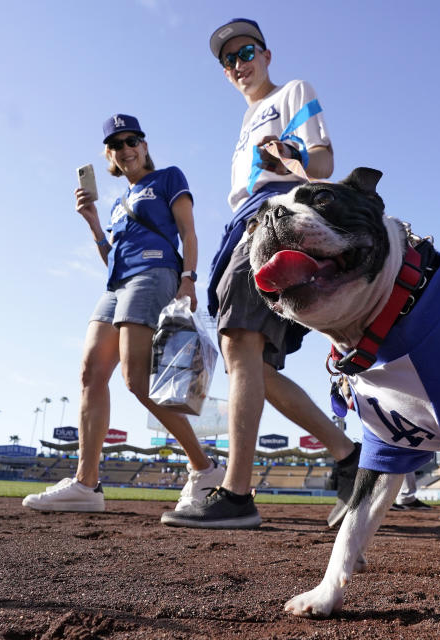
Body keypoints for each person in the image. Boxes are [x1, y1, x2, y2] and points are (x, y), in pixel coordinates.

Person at [159, 19, 359, 529]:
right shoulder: (246, 123)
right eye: (228, 60)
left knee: (241, 345)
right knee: (254, 366)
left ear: (267, 54)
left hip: (272, 219)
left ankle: (237, 493)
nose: (238, 64)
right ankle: (346, 456)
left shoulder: (292, 91)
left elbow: (323, 163)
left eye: (245, 51)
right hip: (244, 223)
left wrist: (290, 155)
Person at [24, 115, 221, 514]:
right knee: (90, 373)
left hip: (155, 273)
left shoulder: (168, 178)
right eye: (116, 145)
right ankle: (86, 484)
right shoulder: (116, 204)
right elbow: (111, 257)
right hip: (117, 285)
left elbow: (189, 231)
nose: (125, 149)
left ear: (145, 146)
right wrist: (95, 223)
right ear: (109, 155)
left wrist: (189, 279)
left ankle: (204, 470)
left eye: (132, 140)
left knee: (136, 381)